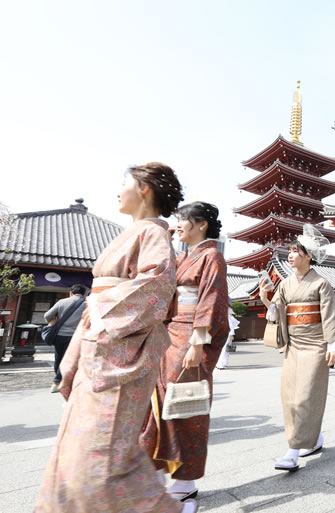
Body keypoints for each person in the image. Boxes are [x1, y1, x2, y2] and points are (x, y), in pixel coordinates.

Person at [36, 162, 191, 513]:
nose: (118, 191)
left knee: (105, 454)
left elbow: (157, 288)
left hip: (120, 349)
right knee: (83, 448)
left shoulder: (153, 235)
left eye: (124, 183)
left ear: (144, 190)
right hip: (102, 341)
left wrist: (100, 311)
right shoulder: (134, 233)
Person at [139, 201, 229, 501]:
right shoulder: (182, 256)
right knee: (157, 403)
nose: (177, 225)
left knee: (185, 406)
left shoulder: (212, 255)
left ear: (201, 224)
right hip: (167, 334)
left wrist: (198, 342)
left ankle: (185, 482)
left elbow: (211, 298)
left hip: (190, 336)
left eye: (182, 219)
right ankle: (154, 468)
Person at [259, 225, 335, 472]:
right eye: (289, 250)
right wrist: (266, 297)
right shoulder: (285, 284)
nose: (290, 254)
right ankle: (314, 439)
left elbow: (330, 316)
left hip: (316, 345)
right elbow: (276, 312)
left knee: (306, 396)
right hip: (294, 346)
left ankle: (293, 450)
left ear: (309, 255)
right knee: (289, 396)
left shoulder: (321, 284)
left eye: (296, 251)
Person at [43, 284, 87, 393]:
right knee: (68, 358)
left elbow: (47, 315)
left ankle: (58, 379)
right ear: (83, 293)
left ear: (71, 293)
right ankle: (57, 381)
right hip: (74, 335)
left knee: (58, 357)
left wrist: (55, 321)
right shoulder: (87, 304)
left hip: (59, 334)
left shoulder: (62, 302)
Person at [215, 305, 240, 370]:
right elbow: (230, 327)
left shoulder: (223, 317)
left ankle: (223, 363)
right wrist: (232, 335)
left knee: (225, 350)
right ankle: (221, 364)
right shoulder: (228, 317)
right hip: (227, 335)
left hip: (222, 335)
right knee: (225, 350)